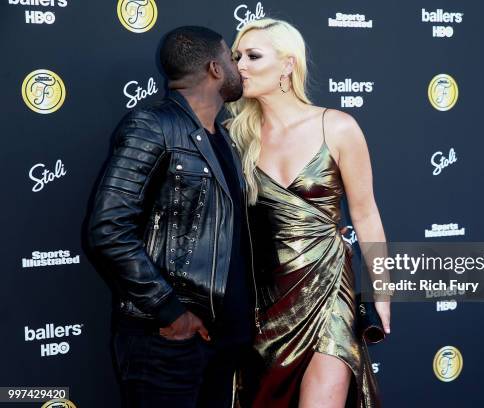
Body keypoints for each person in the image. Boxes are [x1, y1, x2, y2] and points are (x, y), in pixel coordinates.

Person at [226, 18, 391, 408]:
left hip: (329, 291)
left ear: (287, 65)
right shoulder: (235, 136)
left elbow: (366, 215)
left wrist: (383, 290)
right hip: (265, 303)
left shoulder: (337, 127)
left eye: (252, 56)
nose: (240, 66)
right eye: (236, 57)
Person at [88, 26, 254, 408]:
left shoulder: (223, 137)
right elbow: (108, 228)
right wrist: (169, 310)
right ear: (215, 68)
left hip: (223, 338)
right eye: (232, 58)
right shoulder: (153, 126)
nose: (237, 67)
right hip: (167, 341)